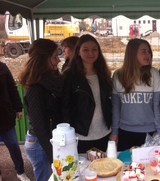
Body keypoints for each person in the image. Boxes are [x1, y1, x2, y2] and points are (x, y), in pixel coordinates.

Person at [19, 39, 63, 181]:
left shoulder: (48, 79)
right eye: (55, 57)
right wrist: (53, 156)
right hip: (40, 144)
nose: (58, 61)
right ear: (43, 59)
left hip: (46, 141)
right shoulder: (36, 88)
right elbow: (40, 128)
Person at [109, 38, 160, 151]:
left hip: (149, 132)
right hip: (125, 132)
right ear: (132, 54)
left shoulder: (153, 74)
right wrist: (114, 132)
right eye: (143, 51)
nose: (148, 54)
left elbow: (157, 106)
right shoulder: (118, 75)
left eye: (149, 51)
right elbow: (116, 108)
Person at [61, 34, 112, 153]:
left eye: (94, 49)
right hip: (81, 135)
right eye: (86, 49)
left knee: (103, 168)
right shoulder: (69, 76)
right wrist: (68, 134)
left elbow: (109, 102)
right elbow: (65, 108)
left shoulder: (104, 74)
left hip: (104, 133)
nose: (91, 53)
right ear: (78, 51)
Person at [0, 62, 30, 181]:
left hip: (5, 115)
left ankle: (20, 171)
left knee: (13, 144)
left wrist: (18, 108)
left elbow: (12, 88)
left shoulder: (2, 67)